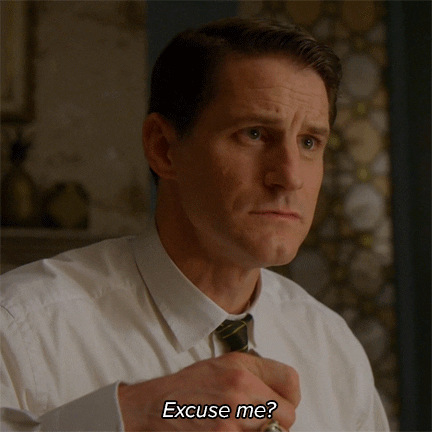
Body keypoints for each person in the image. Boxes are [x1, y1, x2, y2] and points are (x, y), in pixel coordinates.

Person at [1, 17, 390, 432]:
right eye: (254, 134)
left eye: (309, 142)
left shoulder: (333, 348)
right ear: (163, 148)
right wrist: (131, 416)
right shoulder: (21, 328)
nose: (290, 177)